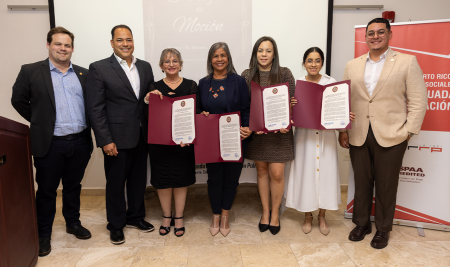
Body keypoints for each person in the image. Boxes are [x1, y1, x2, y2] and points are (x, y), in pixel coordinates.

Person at [339, 18, 427, 249]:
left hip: (392, 134)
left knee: (387, 185)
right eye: (371, 33)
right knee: (362, 182)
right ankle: (361, 224)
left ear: (389, 34)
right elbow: (344, 101)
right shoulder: (353, 65)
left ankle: (383, 229)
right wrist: (343, 129)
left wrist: (408, 132)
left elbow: (418, 101)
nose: (375, 36)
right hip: (359, 132)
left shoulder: (407, 62)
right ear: (365, 36)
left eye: (380, 32)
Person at [11, 27, 93, 257]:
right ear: (48, 45)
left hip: (79, 142)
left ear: (72, 49)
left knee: (73, 187)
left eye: (67, 45)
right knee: (46, 191)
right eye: (58, 44)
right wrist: (41, 122)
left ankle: (73, 224)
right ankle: (43, 234)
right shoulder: (30, 71)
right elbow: (18, 100)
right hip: (50, 143)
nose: (63, 49)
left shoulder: (83, 74)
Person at [86, 25, 155, 245]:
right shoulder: (99, 68)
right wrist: (105, 140)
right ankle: (115, 225)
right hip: (115, 138)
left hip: (141, 135)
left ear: (133, 41)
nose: (125, 44)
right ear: (112, 43)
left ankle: (135, 217)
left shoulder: (144, 66)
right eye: (120, 40)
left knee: (137, 180)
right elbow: (95, 108)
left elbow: (146, 99)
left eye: (128, 39)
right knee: (116, 183)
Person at [284, 47, 355, 236]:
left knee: (326, 174)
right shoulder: (297, 85)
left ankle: (322, 216)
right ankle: (307, 216)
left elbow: (339, 109)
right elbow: (290, 115)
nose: (313, 64)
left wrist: (344, 120)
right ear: (304, 63)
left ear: (322, 62)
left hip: (326, 138)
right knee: (305, 174)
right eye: (309, 60)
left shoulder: (332, 83)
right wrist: (290, 106)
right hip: (304, 137)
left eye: (317, 60)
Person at [241, 36, 294, 235]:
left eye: (268, 50)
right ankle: (265, 212)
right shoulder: (247, 75)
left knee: (277, 174)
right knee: (262, 172)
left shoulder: (284, 73)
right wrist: (250, 125)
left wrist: (287, 122)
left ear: (274, 54)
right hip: (258, 135)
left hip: (280, 135)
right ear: (255, 53)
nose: (264, 54)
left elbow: (292, 102)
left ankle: (275, 214)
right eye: (260, 50)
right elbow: (244, 105)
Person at [197, 42, 251, 237]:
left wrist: (247, 128)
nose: (219, 59)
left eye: (223, 55)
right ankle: (215, 215)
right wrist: (201, 114)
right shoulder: (203, 83)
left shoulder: (238, 81)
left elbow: (246, 108)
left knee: (231, 178)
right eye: (215, 56)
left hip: (234, 138)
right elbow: (197, 110)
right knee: (214, 178)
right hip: (211, 140)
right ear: (210, 60)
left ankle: (225, 214)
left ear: (228, 58)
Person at [144, 48, 197, 237]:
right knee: (163, 180)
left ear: (181, 64)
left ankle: (179, 217)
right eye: (167, 61)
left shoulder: (191, 85)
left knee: (181, 180)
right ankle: (167, 216)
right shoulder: (154, 87)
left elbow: (196, 115)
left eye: (175, 61)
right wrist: (148, 99)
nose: (171, 64)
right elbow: (147, 116)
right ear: (161, 66)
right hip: (160, 145)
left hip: (183, 145)